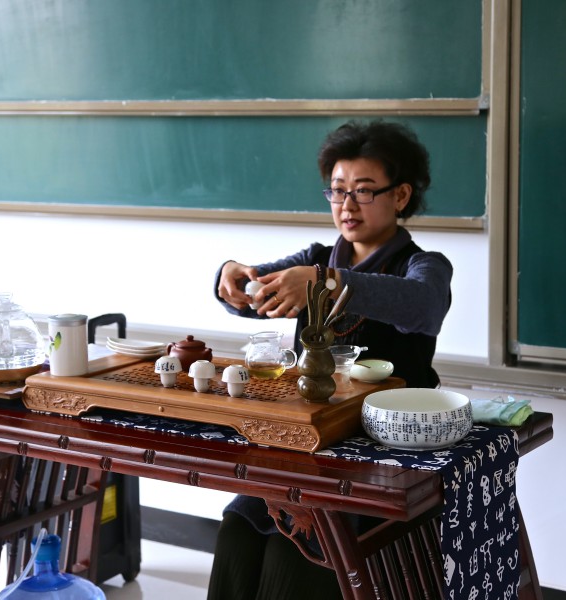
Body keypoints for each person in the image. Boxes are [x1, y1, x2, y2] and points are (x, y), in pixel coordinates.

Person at [208, 120, 453, 599]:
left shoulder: (424, 266)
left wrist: (328, 281)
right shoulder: (316, 258)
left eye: (364, 190)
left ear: (401, 195)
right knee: (238, 527)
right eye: (338, 191)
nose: (347, 205)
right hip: (311, 440)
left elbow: (423, 305)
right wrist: (230, 276)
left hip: (382, 451)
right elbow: (250, 293)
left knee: (297, 549)